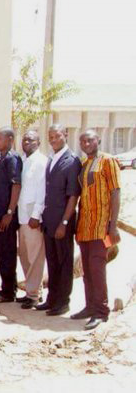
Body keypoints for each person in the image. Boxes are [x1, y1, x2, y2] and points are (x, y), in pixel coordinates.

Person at [74, 129, 121, 330]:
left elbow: (115, 192)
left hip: (101, 227)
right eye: (83, 141)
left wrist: (113, 225)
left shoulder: (108, 161)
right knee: (86, 269)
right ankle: (89, 306)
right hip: (85, 226)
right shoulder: (84, 164)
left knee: (97, 268)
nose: (86, 143)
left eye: (90, 140)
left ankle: (101, 311)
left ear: (98, 140)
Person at [38, 124, 81, 315]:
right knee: (52, 261)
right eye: (50, 136)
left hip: (62, 222)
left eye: (57, 136)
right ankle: (52, 298)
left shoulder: (72, 161)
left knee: (64, 262)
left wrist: (64, 223)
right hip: (49, 221)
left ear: (65, 135)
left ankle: (63, 301)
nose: (53, 139)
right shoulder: (52, 158)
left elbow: (73, 196)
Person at [15, 131, 48, 309]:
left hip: (33, 217)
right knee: (25, 254)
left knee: (35, 256)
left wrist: (37, 214)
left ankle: (34, 295)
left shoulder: (41, 161)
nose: (27, 142)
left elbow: (42, 190)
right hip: (22, 216)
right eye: (25, 139)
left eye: (31, 139)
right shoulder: (24, 160)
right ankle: (31, 290)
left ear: (38, 142)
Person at [0, 127, 22, 303]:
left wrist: (9, 212)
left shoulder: (12, 158)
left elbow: (16, 185)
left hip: (6, 215)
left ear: (10, 139)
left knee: (8, 253)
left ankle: (9, 292)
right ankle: (8, 288)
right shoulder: (2, 157)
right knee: (3, 253)